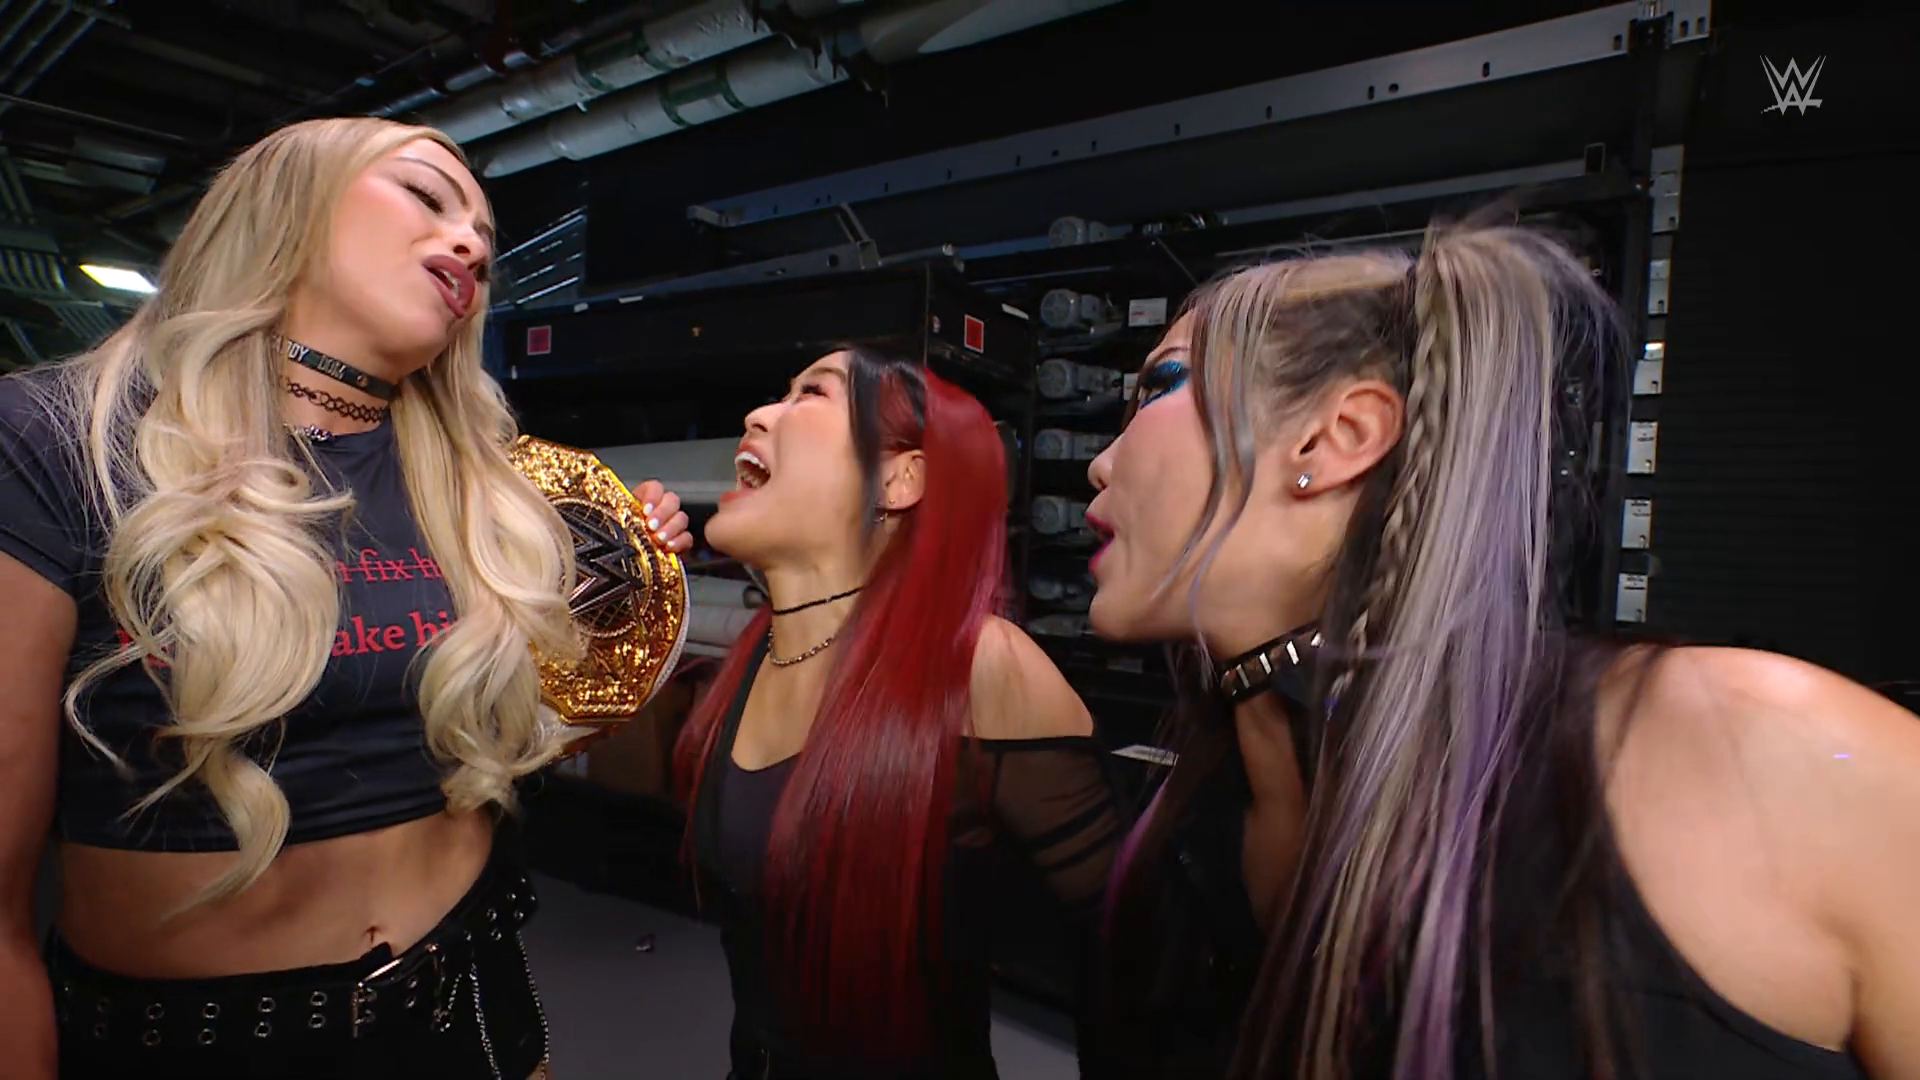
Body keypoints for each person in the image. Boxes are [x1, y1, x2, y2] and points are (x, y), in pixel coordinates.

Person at [1081, 222, 1919, 1079]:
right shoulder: (1188, 819)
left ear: (1334, 439)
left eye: (1163, 383)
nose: (1100, 465)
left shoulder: (1745, 747)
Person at [0, 117, 693, 1080]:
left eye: (485, 237)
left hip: (478, 1002)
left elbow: (562, 702)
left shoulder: (487, 481)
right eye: (426, 196)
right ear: (285, 208)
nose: (471, 243)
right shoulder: (54, 439)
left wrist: (634, 553)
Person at [677, 346, 1125, 1078]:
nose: (757, 416)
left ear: (899, 478)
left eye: (812, 394)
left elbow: (1130, 954)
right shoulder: (752, 660)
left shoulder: (981, 666)